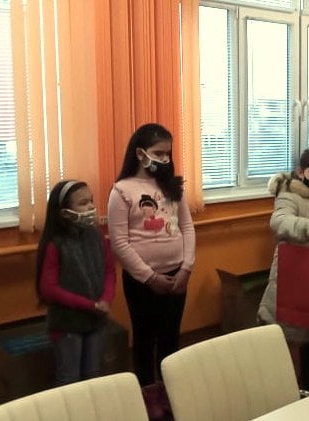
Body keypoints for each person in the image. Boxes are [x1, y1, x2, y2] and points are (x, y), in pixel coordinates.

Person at [107, 123, 195, 418]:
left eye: (168, 153)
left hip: (177, 275)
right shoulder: (122, 191)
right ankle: (148, 396)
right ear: (140, 154)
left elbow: (187, 228)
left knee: (170, 337)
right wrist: (150, 277)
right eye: (159, 153)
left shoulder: (173, 187)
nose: (165, 159)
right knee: (145, 340)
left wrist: (186, 268)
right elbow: (119, 243)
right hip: (142, 281)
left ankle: (170, 392)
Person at [258, 148, 309, 392]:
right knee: (280, 334)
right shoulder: (289, 195)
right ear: (301, 171)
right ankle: (277, 388)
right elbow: (279, 222)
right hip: (291, 275)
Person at [37, 180, 115, 386]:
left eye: (91, 201)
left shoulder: (97, 235)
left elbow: (109, 270)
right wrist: (90, 305)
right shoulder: (56, 243)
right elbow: (49, 289)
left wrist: (106, 299)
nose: (91, 207)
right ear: (64, 212)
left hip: (96, 321)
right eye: (83, 203)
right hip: (67, 324)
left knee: (93, 376)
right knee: (69, 380)